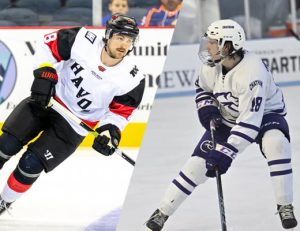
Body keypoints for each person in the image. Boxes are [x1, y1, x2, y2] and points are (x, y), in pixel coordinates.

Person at [145, 19, 297, 230]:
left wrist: (226, 152)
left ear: (228, 45)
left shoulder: (252, 72)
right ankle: (162, 211)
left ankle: (284, 204)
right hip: (228, 118)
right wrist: (207, 108)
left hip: (263, 116)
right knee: (197, 165)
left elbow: (249, 122)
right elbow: (203, 89)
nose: (208, 46)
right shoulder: (211, 66)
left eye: (213, 42)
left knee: (276, 143)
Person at [0, 13, 145, 215]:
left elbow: (121, 113)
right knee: (5, 146)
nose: (124, 45)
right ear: (108, 35)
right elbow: (47, 47)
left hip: (73, 126)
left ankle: (3, 202)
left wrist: (111, 131)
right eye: (120, 37)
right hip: (47, 101)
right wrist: (44, 71)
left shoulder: (133, 78)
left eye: (130, 40)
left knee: (30, 164)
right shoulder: (81, 40)